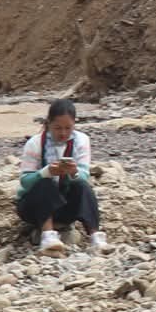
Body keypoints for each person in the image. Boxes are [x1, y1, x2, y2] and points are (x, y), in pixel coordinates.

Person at [17, 99, 109, 255]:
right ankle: (48, 234)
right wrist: (46, 172)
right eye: (57, 128)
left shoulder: (81, 140)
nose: (63, 133)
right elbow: (25, 182)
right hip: (34, 208)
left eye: (68, 128)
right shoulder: (35, 143)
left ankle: (95, 236)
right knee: (45, 183)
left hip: (65, 206)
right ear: (48, 124)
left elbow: (84, 175)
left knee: (82, 185)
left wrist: (73, 172)